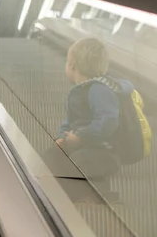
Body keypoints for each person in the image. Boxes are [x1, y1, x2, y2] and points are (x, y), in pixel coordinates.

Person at [44, 37, 134, 198]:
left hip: (105, 152)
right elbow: (70, 121)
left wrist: (81, 137)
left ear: (72, 65)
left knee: (80, 161)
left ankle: (103, 196)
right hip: (85, 145)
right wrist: (61, 137)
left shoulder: (99, 90)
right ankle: (59, 192)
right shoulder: (80, 91)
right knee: (52, 155)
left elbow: (108, 122)